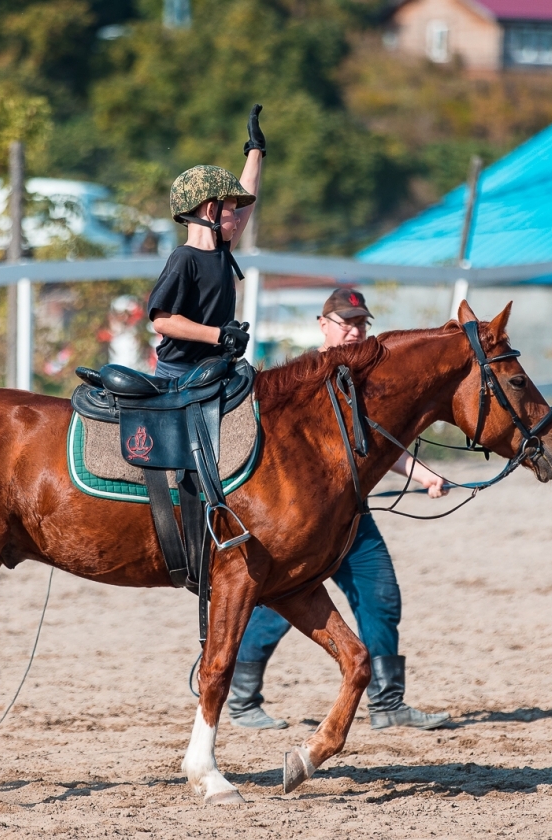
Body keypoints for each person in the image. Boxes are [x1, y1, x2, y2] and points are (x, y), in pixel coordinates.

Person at [227, 288, 452, 731]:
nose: (354, 330)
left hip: (351, 517)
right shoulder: (302, 378)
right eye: (345, 322)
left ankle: (387, 702)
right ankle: (240, 697)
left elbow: (380, 441)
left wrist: (423, 475)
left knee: (380, 593)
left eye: (361, 323)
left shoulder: (369, 382)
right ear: (322, 324)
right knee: (278, 605)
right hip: (300, 517)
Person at [148, 105, 266, 379]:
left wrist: (255, 150)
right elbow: (163, 321)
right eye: (231, 210)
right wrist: (220, 335)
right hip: (178, 377)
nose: (238, 219)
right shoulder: (184, 259)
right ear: (211, 212)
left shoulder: (222, 252)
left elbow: (249, 199)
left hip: (212, 371)